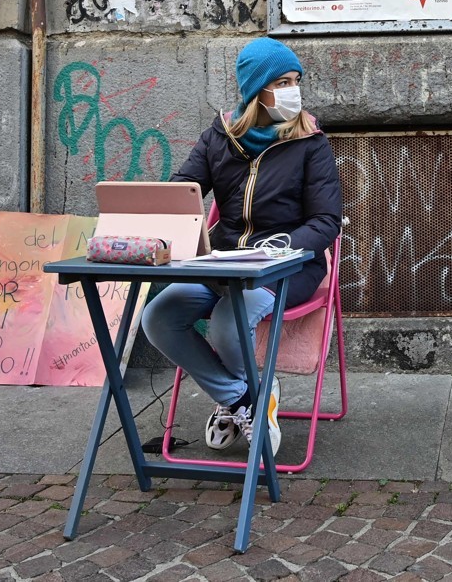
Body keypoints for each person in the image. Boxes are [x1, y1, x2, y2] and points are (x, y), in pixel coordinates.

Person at [141, 38, 343, 457]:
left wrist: (280, 248)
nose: (294, 91)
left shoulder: (310, 141)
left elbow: (325, 222)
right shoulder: (219, 137)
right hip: (223, 262)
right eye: (282, 82)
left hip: (288, 266)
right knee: (159, 316)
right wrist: (164, 218)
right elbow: (184, 190)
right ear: (256, 91)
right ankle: (244, 398)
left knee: (227, 322)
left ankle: (238, 399)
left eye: (296, 81)